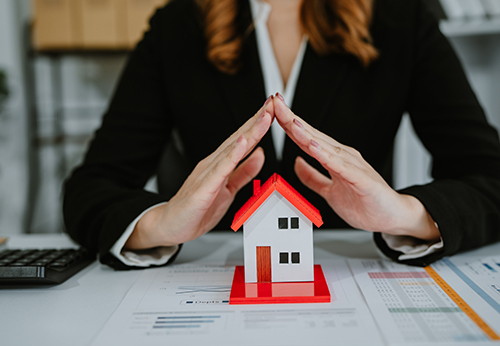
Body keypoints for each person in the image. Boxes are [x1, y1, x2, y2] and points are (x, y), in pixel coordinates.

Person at [63, 0, 500, 270]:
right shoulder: (177, 26)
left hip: (351, 278)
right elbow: (90, 188)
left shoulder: (401, 19)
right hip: (217, 275)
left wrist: (407, 215)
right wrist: (157, 224)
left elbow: (489, 175)